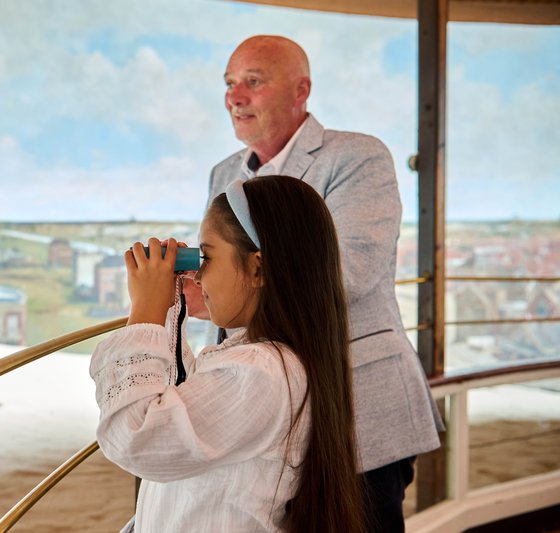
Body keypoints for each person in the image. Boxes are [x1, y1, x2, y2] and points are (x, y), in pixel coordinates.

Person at [191, 34, 443, 533]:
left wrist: (223, 290)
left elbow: (348, 271)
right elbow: (228, 281)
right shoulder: (225, 173)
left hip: (355, 413)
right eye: (229, 84)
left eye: (253, 82)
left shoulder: (357, 157)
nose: (234, 97)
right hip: (264, 417)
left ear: (301, 90)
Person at [90, 176, 366, 533]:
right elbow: (174, 404)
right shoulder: (264, 363)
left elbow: (137, 438)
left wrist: (145, 309)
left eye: (206, 257)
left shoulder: (261, 373)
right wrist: (169, 306)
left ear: (257, 268)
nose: (198, 276)